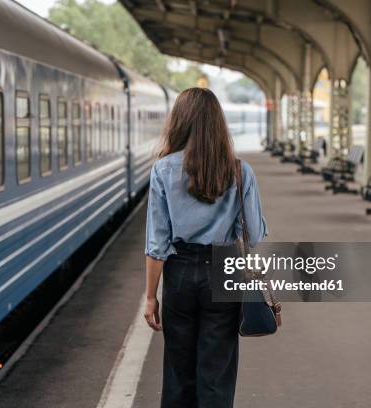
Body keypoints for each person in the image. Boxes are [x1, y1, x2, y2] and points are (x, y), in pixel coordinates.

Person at [143, 87, 268, 408]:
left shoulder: (163, 170)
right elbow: (253, 234)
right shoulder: (241, 171)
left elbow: (157, 243)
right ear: (218, 124)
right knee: (216, 371)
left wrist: (149, 297)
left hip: (180, 273)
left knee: (178, 369)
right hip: (224, 271)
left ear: (178, 122)